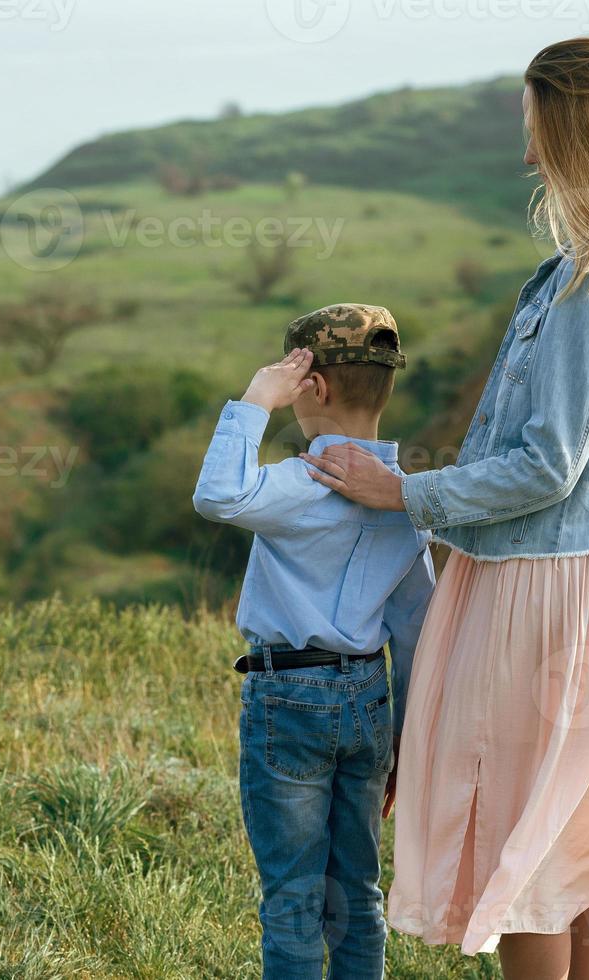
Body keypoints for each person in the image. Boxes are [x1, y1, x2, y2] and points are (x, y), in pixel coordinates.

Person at [301, 37, 589, 980]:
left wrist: (404, 491)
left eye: (536, 131)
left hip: (549, 590)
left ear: (573, 134)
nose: (528, 156)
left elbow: (547, 467)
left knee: (536, 849)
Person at [193, 304, 435, 979]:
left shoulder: (303, 483)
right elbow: (416, 627)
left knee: (294, 895)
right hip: (368, 699)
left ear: (313, 388)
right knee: (356, 890)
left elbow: (219, 496)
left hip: (288, 696)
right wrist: (404, 738)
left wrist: (254, 402)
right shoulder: (403, 502)